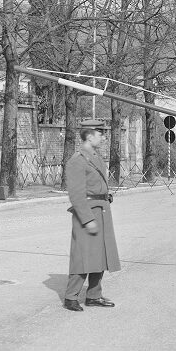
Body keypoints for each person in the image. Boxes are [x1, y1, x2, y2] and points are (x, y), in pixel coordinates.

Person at [63, 119, 120, 312]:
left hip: (101, 211)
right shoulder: (77, 160)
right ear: (89, 136)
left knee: (100, 256)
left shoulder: (94, 156)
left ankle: (94, 296)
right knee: (82, 256)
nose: (103, 138)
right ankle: (71, 297)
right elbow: (76, 194)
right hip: (88, 213)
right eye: (100, 134)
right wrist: (87, 220)